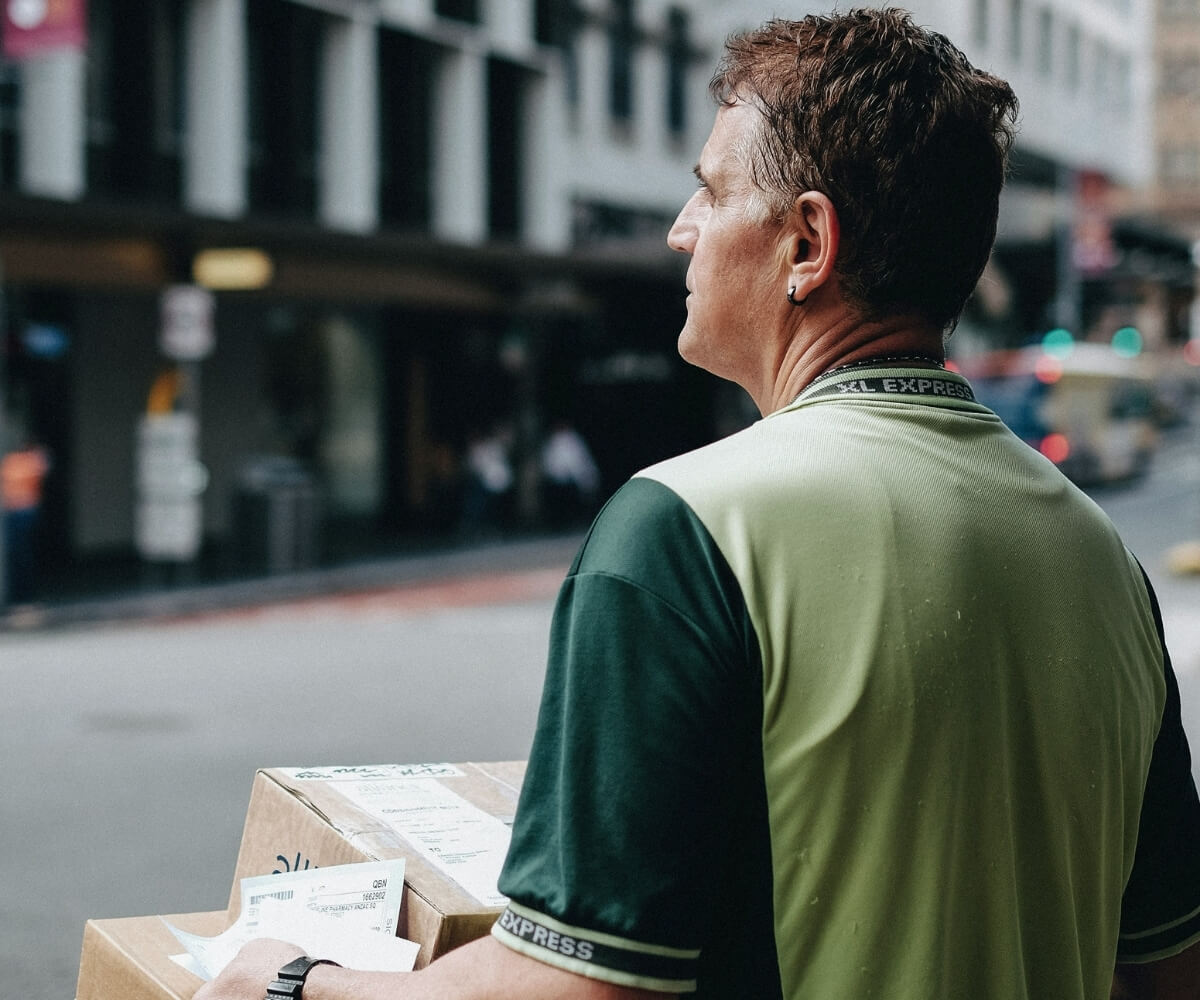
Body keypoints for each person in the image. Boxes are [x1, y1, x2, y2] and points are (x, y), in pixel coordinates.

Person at [198, 10, 1200, 1000]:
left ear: (806, 241)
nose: (682, 233)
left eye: (711, 195)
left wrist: (296, 983)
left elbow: (582, 989)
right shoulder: (1103, 560)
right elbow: (1165, 965)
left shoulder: (685, 529)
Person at [2, 433, 51, 605]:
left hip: (26, 511)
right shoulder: (14, 462)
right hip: (16, 512)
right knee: (18, 554)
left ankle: (27, 593)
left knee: (25, 553)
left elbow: (44, 466)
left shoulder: (29, 461)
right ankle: (21, 593)